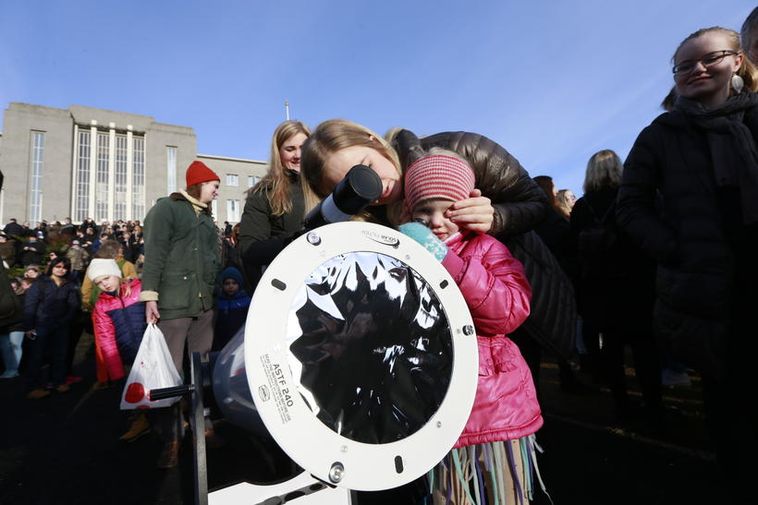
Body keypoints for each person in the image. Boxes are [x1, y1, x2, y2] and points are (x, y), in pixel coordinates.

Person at [616, 26, 758, 500]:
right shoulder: (660, 134)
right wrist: (674, 249)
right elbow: (630, 205)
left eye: (709, 57)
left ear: (736, 61)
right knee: (727, 401)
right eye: (683, 65)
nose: (696, 69)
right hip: (703, 286)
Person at [398, 151, 542, 504]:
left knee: (506, 495)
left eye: (448, 211)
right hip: (438, 418)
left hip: (495, 415)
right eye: (424, 213)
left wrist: (447, 260)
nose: (435, 222)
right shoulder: (402, 259)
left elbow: (508, 310)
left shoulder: (486, 248)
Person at [140, 160, 221, 468]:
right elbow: (156, 252)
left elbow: (212, 256)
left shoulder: (206, 218)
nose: (217, 190)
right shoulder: (167, 209)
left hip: (203, 307)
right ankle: (172, 437)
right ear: (199, 183)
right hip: (173, 305)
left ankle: (204, 425)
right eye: (214, 184)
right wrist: (150, 296)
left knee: (201, 371)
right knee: (170, 378)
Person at [571, 150, 661, 423]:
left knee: (612, 348)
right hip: (636, 283)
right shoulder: (631, 199)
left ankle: (621, 404)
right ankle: (654, 406)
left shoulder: (582, 207)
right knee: (646, 348)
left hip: (600, 287)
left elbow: (574, 248)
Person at [238, 120, 310, 290]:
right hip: (291, 285)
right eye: (290, 149)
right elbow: (249, 249)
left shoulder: (327, 183)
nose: (298, 155)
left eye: (304, 147)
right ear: (278, 153)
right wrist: (294, 242)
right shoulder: (263, 193)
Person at [88, 258, 150, 442]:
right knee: (136, 391)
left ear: (116, 273)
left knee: (161, 384)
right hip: (128, 354)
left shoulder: (139, 289)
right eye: (99, 282)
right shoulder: (102, 305)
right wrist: (115, 371)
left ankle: (176, 418)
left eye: (106, 277)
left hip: (150, 349)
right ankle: (141, 420)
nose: (104, 284)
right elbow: (106, 339)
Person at [22, 257, 81, 399]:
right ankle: (34, 386)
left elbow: (73, 305)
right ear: (52, 267)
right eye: (58, 266)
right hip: (41, 323)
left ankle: (58, 382)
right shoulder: (40, 283)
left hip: (61, 324)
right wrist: (29, 326)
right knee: (37, 356)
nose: (61, 269)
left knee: (60, 354)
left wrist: (66, 320)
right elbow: (30, 304)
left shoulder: (69, 284)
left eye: (64, 267)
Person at [212, 266, 251, 352]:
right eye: (227, 283)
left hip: (240, 340)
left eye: (234, 283)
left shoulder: (246, 301)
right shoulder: (219, 302)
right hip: (223, 341)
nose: (231, 286)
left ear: (239, 284)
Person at [0, 277, 26, 379]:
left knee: (15, 345)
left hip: (18, 324)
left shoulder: (22, 297)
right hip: (3, 324)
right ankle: (9, 368)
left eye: (14, 287)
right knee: (5, 347)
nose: (13, 289)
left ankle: (13, 370)